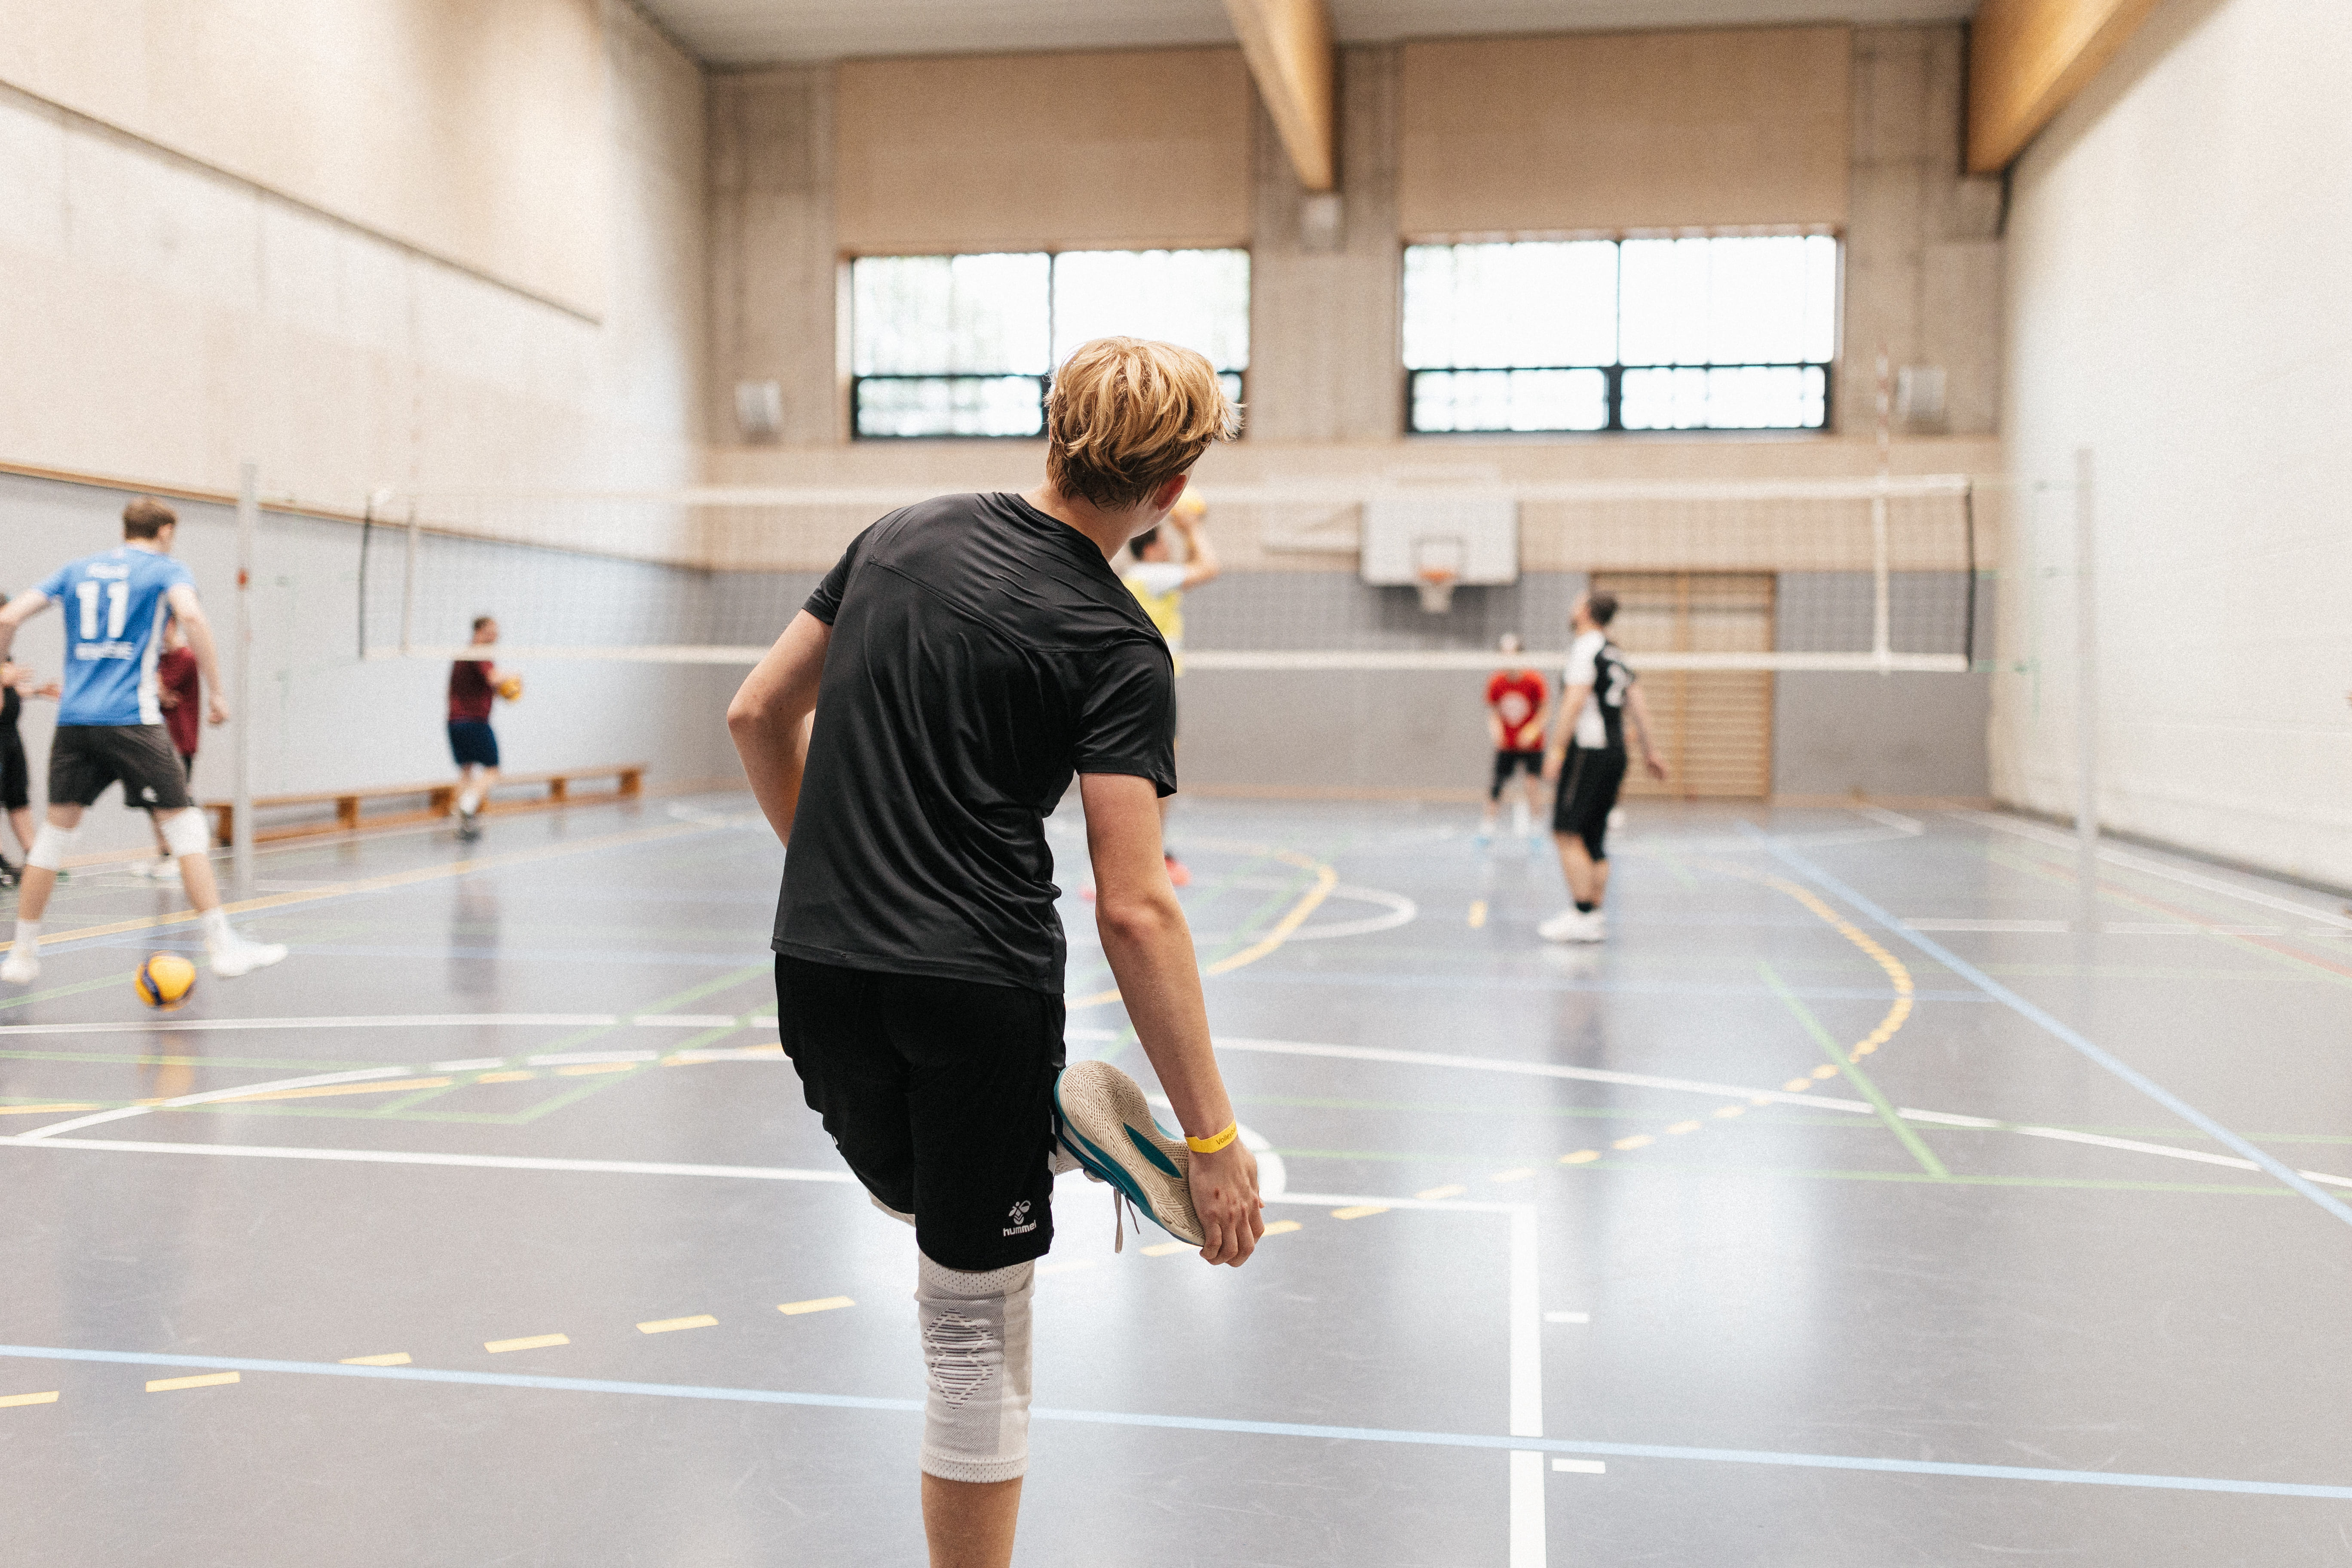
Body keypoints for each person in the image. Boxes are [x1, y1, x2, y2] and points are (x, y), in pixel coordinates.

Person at [726, 336, 1263, 1568]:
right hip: (979, 988)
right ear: (1173, 489)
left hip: (814, 966)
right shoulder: (1120, 644)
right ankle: (1054, 1130)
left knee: (917, 1194)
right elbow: (1135, 906)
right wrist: (1216, 1140)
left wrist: (829, 865)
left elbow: (758, 711)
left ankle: (1041, 1134)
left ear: (1052, 429)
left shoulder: (898, 534)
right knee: (972, 1326)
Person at [0, 497, 288, 982]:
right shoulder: (164, 569)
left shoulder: (77, 569)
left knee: (54, 836)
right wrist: (217, 690)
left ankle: (22, 955)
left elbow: (9, 618)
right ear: (166, 531)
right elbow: (192, 618)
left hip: (75, 723)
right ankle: (221, 946)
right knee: (185, 825)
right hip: (132, 718)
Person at [1538, 591, 1666, 944]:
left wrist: (1557, 750)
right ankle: (1593, 916)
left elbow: (1575, 700)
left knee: (1565, 832)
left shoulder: (1585, 648)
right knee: (1594, 839)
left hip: (1587, 752)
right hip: (1616, 753)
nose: (1570, 607)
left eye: (1575, 602)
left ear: (1585, 612)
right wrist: (1651, 751)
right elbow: (1638, 703)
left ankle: (1582, 915)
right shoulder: (1614, 652)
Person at [1118, 487, 1218, 886]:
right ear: (1154, 548)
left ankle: (1152, 851)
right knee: (1157, 773)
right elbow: (1210, 566)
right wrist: (1192, 529)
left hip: (1146, 684)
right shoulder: (1152, 576)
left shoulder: (1139, 577)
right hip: (1153, 686)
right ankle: (1147, 855)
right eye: (1166, 542)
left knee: (1155, 770)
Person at [131, 614, 201, 878]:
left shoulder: (185, 658)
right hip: (155, 739)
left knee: (177, 800)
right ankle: (165, 855)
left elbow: (155, 690)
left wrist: (154, 685)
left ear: (170, 625)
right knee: (154, 801)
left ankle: (184, 857)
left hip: (179, 740)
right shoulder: (160, 660)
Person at [0, 622, 61, 887]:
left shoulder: (5, 653)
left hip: (11, 735)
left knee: (18, 796)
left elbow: (9, 690)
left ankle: (35, 858)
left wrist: (36, 691)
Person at [1476, 632, 1548, 846]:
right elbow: (1493, 712)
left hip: (1531, 745)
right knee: (1497, 784)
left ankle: (1536, 829)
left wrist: (1532, 730)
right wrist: (1496, 730)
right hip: (1507, 744)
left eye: (1512, 654)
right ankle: (1487, 829)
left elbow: (1545, 710)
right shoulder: (1496, 681)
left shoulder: (1534, 680)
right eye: (1504, 654)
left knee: (1532, 784)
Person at [447, 616, 505, 841]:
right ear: (479, 632)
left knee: (466, 770)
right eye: (492, 631)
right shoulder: (478, 653)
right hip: (474, 721)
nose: (496, 636)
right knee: (493, 770)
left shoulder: (466, 655)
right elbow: (494, 679)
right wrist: (513, 680)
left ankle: (461, 822)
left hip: (455, 722)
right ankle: (466, 805)